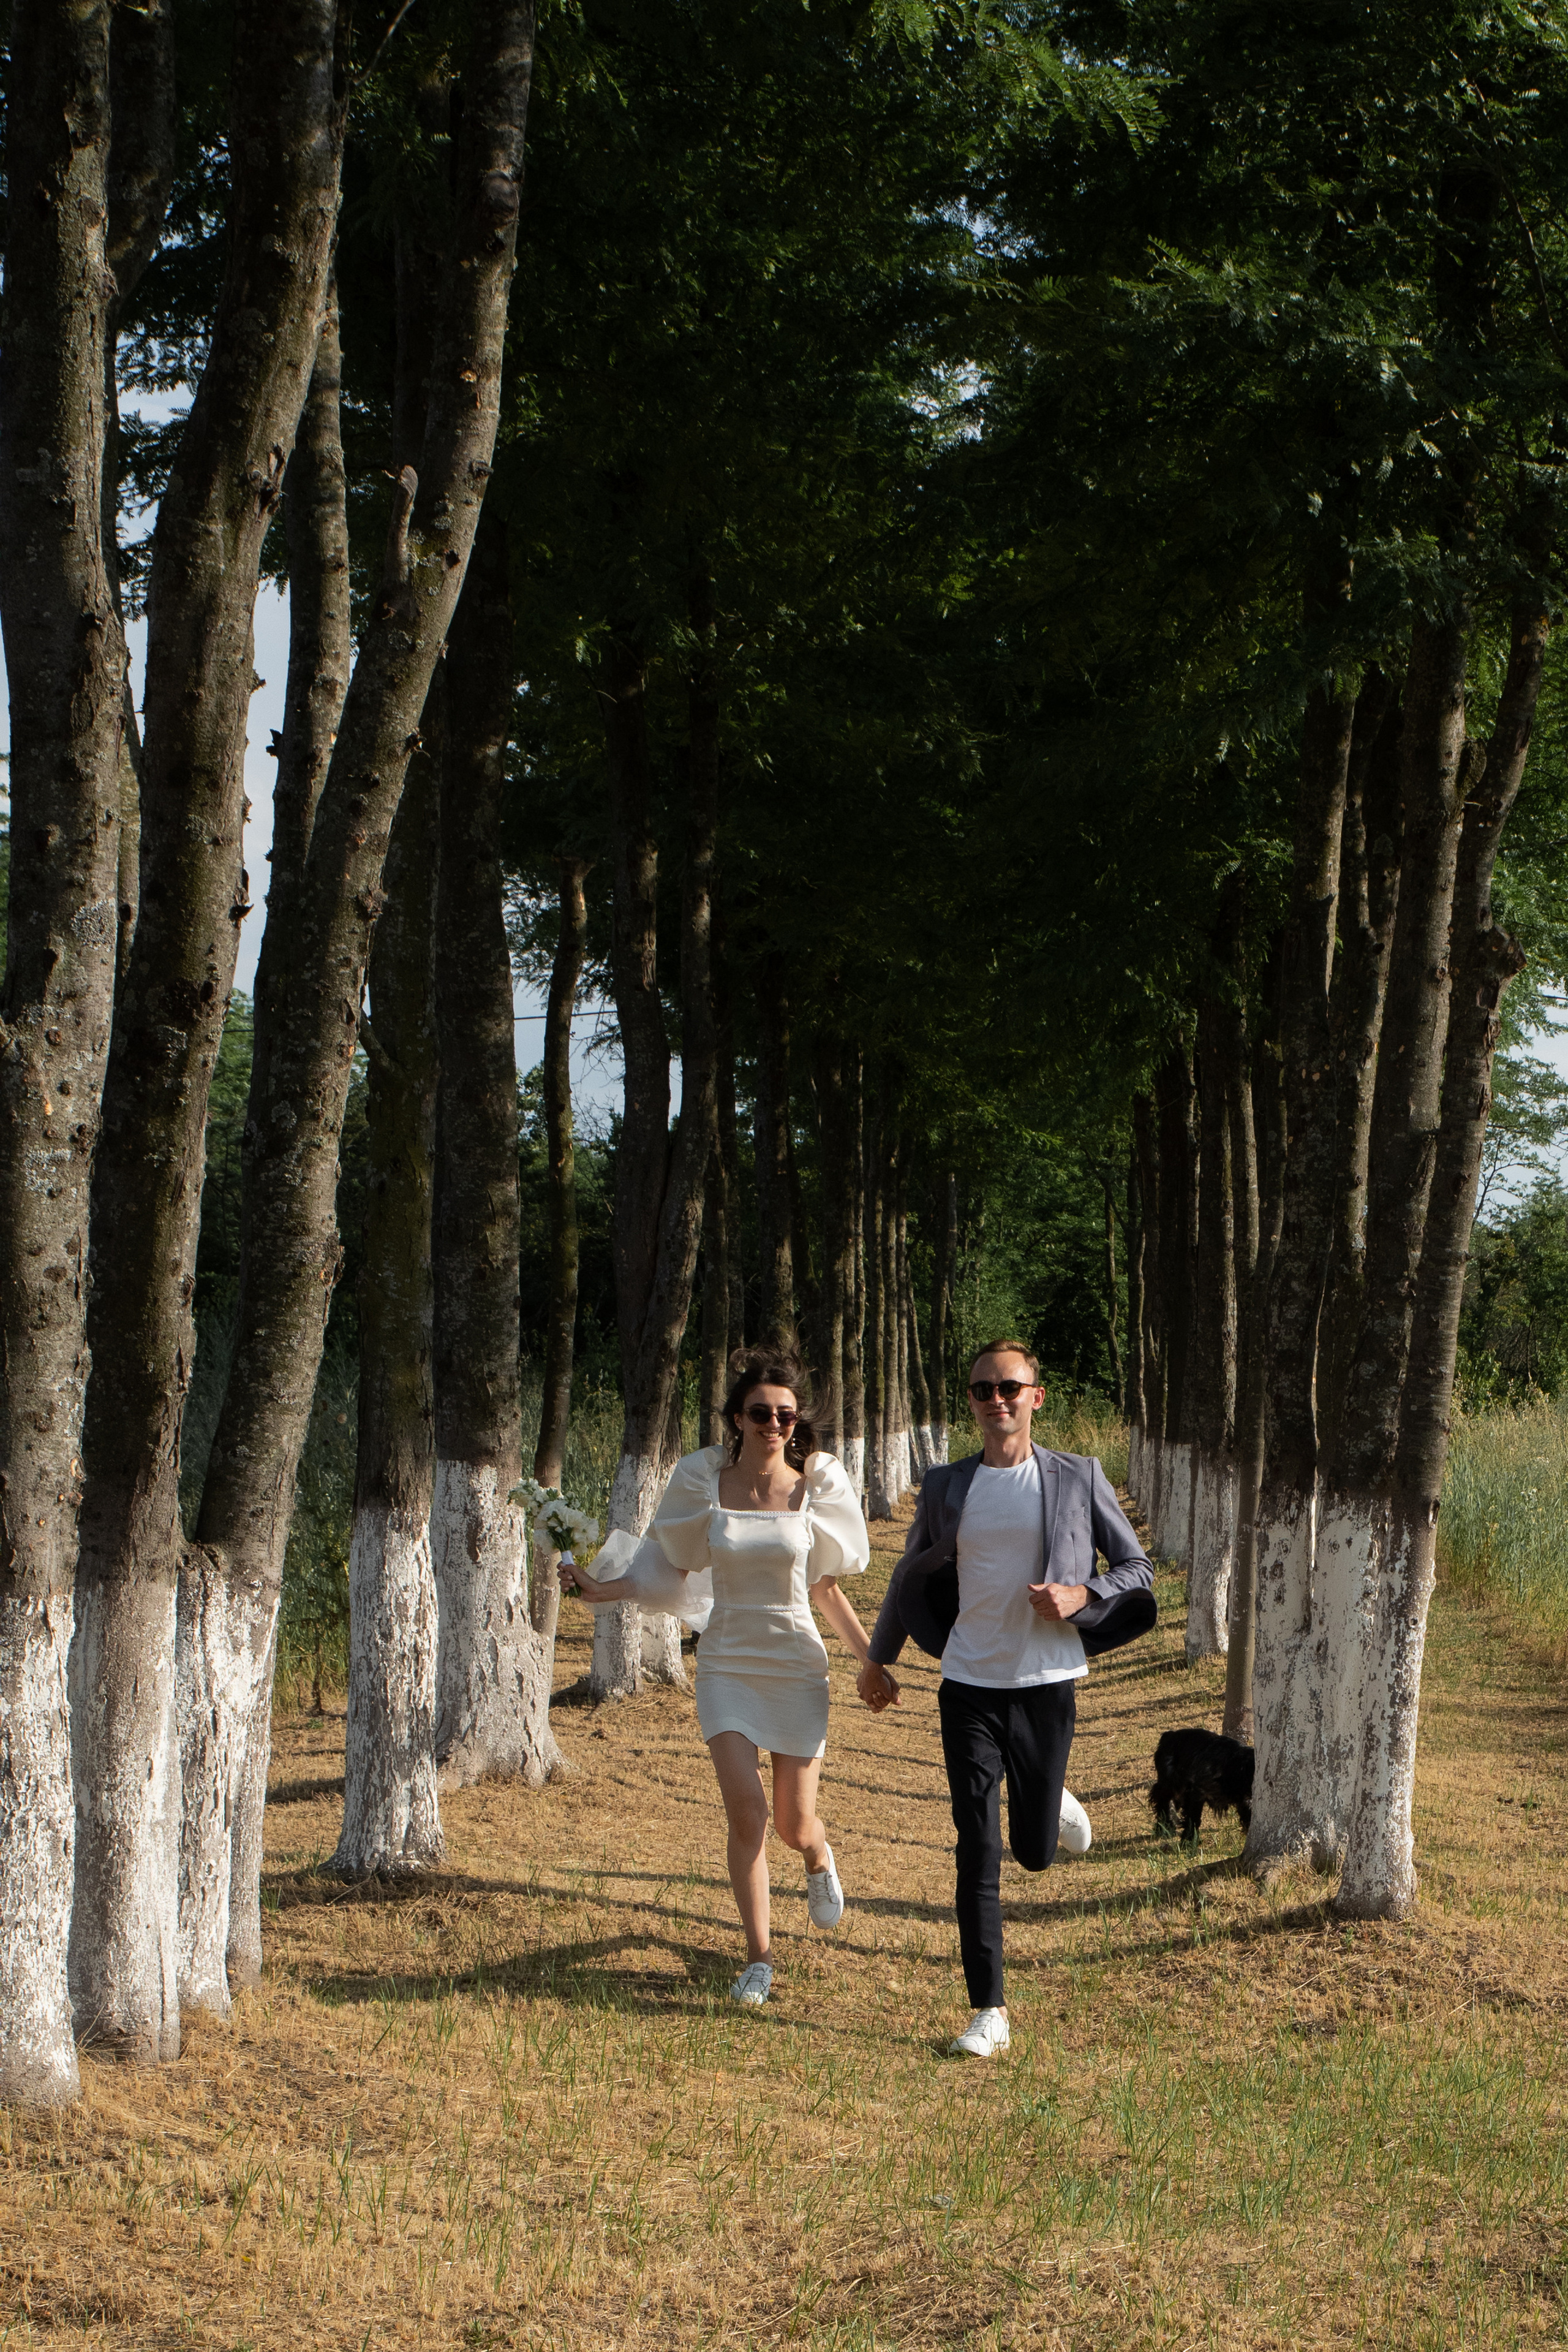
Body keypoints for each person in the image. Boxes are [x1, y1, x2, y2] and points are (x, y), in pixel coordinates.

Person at [858, 1341, 1155, 2059]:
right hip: (967, 1682)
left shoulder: (1078, 1477)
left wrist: (1083, 1593)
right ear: (971, 1401)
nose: (997, 1400)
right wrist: (879, 1658)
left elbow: (1138, 1568)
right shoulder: (945, 1486)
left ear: (1035, 1396)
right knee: (977, 1847)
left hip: (1046, 1683)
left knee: (1032, 1854)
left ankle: (1050, 1798)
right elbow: (909, 1574)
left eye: (1009, 1388)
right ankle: (987, 2009)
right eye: (983, 1390)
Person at [560, 1344, 875, 2010]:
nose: (774, 1424)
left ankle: (818, 1858)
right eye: (760, 1412)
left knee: (793, 1824)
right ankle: (758, 1957)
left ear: (796, 1422)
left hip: (795, 1661)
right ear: (735, 1418)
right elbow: (664, 1572)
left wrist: (870, 1661)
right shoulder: (704, 1483)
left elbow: (825, 1590)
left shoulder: (813, 1490)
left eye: (785, 1415)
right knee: (749, 1816)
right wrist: (599, 1590)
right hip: (727, 1660)